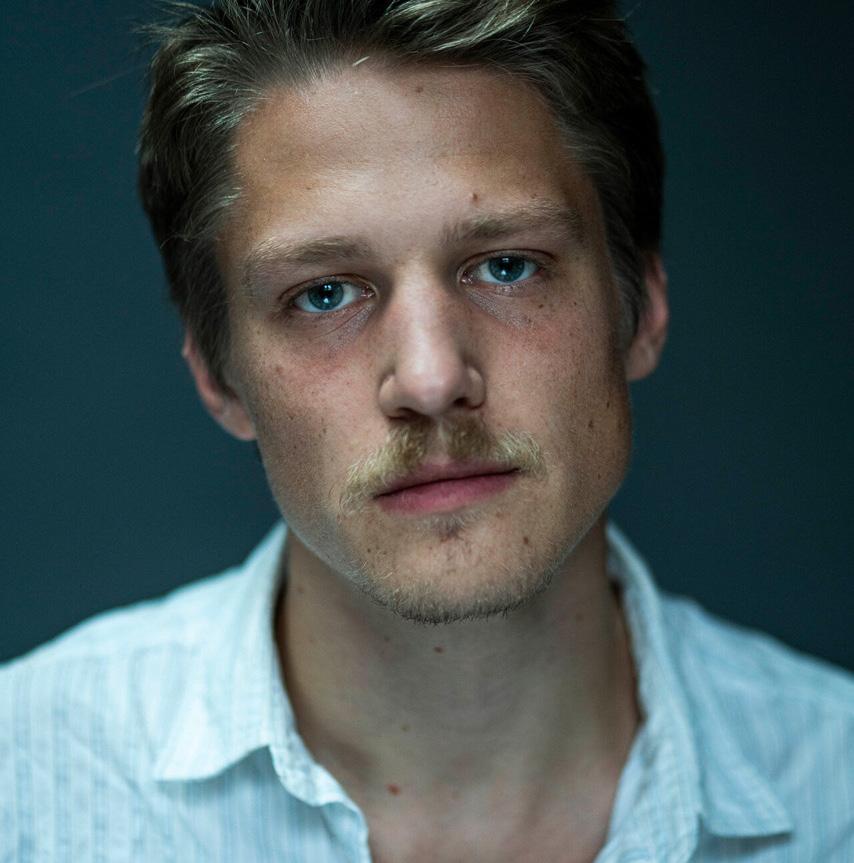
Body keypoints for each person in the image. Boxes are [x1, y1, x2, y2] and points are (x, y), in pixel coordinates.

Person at [2, 0, 852, 860]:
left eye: (508, 266)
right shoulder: (26, 785)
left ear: (643, 308)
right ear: (219, 375)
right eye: (323, 293)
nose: (432, 379)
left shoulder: (836, 787)